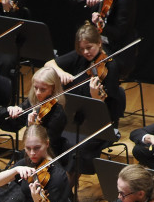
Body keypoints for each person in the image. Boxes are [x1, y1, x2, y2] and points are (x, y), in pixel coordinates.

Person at [44, 23, 125, 181]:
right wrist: (61, 73)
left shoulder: (111, 66)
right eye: (82, 48)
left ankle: (64, 191)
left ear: (99, 43)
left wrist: (96, 97)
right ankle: (56, 183)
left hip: (99, 123)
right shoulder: (79, 56)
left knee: (75, 150)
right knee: (52, 138)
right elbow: (49, 64)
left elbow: (104, 109)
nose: (86, 52)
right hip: (76, 117)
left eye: (89, 47)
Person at [69, 0, 137, 77]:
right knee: (73, 61)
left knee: (83, 67)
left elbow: (118, 33)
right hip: (98, 47)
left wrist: (100, 24)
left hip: (117, 52)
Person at [1, 67, 66, 155]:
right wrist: (10, 110)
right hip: (31, 152)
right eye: (35, 87)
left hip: (47, 155)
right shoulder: (33, 101)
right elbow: (13, 124)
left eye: (43, 89)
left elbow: (45, 146)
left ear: (53, 89)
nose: (38, 93)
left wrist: (31, 127)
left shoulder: (58, 113)